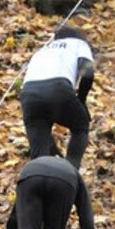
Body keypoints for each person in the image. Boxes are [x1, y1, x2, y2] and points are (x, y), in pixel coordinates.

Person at [19, 26, 95, 168]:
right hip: (59, 88)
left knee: (39, 153)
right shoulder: (78, 44)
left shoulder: (42, 50)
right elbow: (88, 71)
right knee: (80, 127)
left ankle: (41, 172)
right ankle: (71, 170)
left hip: (29, 94)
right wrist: (81, 99)